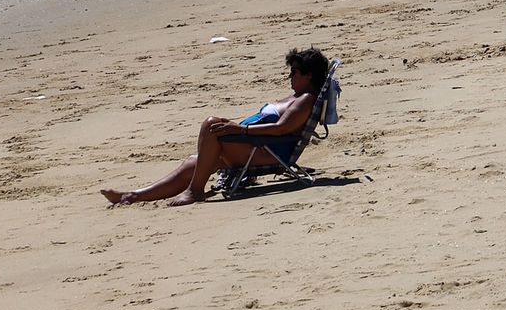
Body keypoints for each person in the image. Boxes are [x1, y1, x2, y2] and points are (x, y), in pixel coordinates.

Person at [100, 47, 333, 208]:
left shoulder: (305, 100)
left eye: (294, 72)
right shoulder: (296, 96)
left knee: (211, 124)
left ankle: (195, 191)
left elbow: (282, 129)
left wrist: (241, 131)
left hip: (263, 151)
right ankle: (133, 196)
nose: (289, 76)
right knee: (195, 161)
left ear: (308, 75)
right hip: (254, 146)